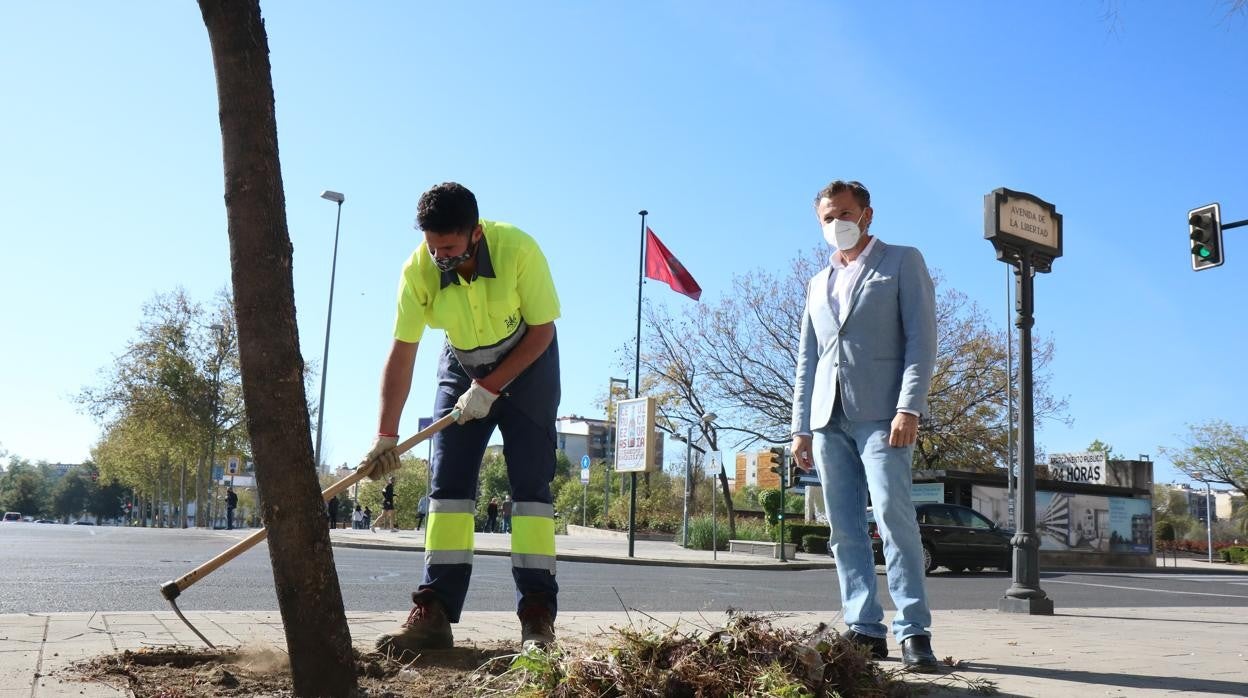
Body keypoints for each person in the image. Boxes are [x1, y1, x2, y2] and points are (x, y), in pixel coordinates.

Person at [364, 182, 561, 655]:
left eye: (449, 248)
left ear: (475, 234)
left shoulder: (518, 249)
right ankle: (433, 610)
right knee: (447, 489)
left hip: (529, 366)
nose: (440, 258)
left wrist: (492, 388)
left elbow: (542, 332)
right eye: (433, 248)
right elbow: (402, 352)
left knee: (530, 494)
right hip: (462, 363)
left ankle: (537, 616)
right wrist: (385, 434)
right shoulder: (419, 269)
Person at [790, 180, 939, 672]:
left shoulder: (901, 261)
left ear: (867, 214)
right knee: (843, 529)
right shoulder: (817, 282)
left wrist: (909, 407)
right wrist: (800, 428)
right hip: (826, 418)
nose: (838, 224)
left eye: (845, 213)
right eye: (828, 217)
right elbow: (807, 360)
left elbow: (921, 340)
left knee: (895, 519)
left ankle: (914, 631)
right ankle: (863, 629)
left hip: (883, 416)